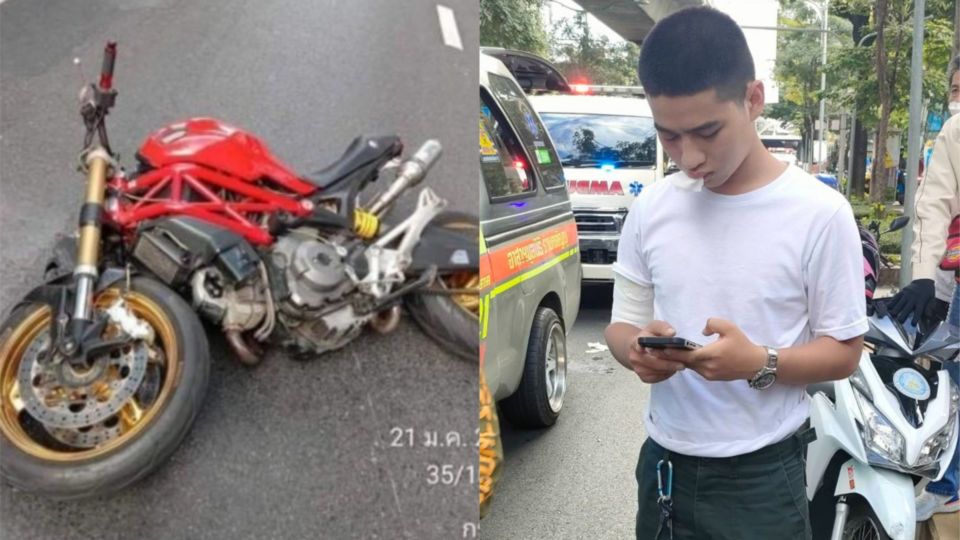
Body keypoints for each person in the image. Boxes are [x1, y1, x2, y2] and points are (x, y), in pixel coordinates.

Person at [603, 7, 867, 539]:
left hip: (764, 478)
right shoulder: (652, 208)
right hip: (664, 469)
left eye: (706, 131)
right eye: (669, 137)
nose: (689, 157)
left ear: (753, 99)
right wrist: (636, 352)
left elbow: (844, 351)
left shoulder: (819, 212)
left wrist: (758, 362)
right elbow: (620, 325)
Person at [888, 54, 960, 521]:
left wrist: (922, 276)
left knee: (955, 382)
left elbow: (935, 205)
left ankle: (950, 484)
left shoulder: (955, 130)